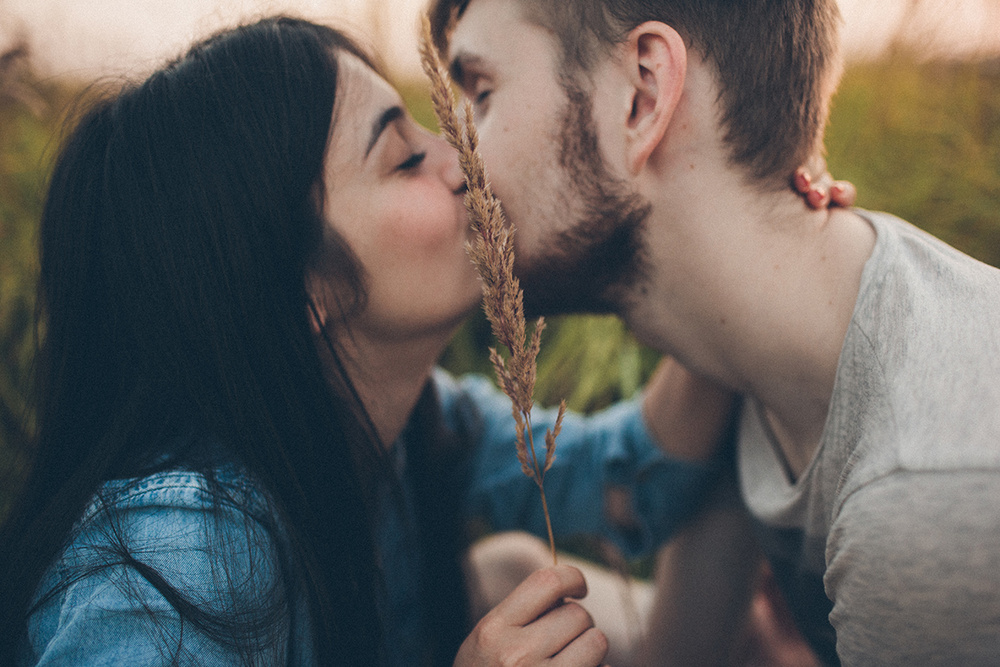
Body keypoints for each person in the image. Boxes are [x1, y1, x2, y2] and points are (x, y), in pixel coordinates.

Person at [0, 15, 751, 667]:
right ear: (304, 289)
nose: (466, 161)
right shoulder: (182, 555)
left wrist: (738, 234)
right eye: (406, 158)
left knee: (505, 572)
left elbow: (621, 486)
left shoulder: (413, 418)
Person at [429, 0, 1000, 664]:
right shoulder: (752, 355)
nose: (452, 164)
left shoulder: (922, 499)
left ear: (642, 95)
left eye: (482, 94)